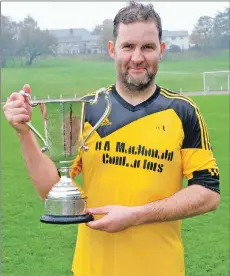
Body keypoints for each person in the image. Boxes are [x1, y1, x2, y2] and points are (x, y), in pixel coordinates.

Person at [3, 2, 220, 276]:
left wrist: (136, 215)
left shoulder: (183, 111)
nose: (137, 57)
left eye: (148, 47)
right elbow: (51, 190)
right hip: (92, 269)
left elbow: (208, 193)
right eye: (128, 46)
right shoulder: (87, 109)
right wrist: (24, 133)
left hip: (161, 269)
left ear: (162, 51)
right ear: (111, 49)